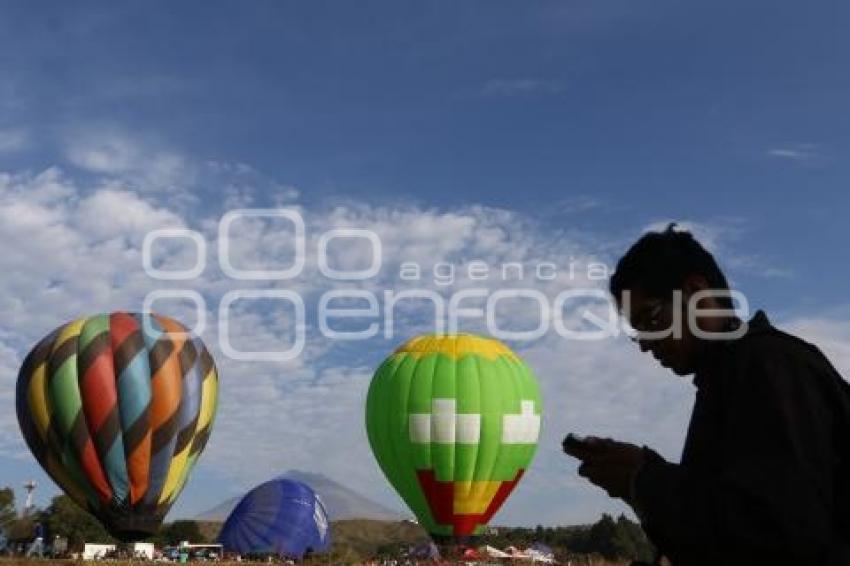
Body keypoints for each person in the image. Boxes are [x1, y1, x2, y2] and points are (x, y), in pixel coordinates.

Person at [563, 224, 850, 565]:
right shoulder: (732, 376)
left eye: (651, 319)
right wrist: (641, 481)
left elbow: (781, 535)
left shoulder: (768, 364)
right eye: (636, 332)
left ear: (697, 291)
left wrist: (644, 480)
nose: (645, 344)